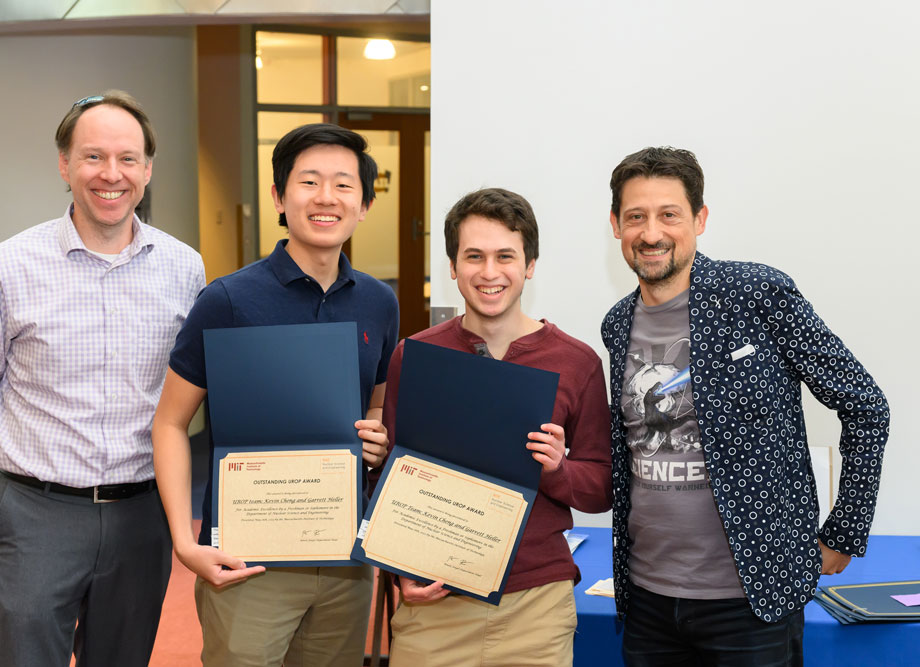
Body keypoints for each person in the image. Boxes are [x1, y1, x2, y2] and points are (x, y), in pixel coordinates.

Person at [601, 147, 890, 665]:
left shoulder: (758, 294)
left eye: (669, 214)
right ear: (616, 226)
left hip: (751, 604)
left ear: (700, 219)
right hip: (646, 601)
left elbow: (866, 406)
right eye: (635, 217)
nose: (651, 233)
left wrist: (846, 529)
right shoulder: (617, 324)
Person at [0, 90, 205, 666]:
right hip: (38, 515)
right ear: (64, 165)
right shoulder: (5, 267)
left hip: (144, 513)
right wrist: (29, 473)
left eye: (127, 158)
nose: (111, 174)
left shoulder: (184, 267)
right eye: (93, 157)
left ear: (147, 169)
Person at [152, 123, 399, 666]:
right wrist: (184, 540)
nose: (326, 198)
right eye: (309, 182)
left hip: (344, 557)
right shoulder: (228, 300)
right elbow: (170, 423)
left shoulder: (379, 303)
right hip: (248, 560)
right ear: (279, 198)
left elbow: (378, 400)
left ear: (364, 205)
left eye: (343, 184)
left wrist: (378, 434)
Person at [379, 188, 613, 666]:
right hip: (435, 607)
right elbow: (393, 478)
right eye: (474, 256)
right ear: (452, 266)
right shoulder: (416, 356)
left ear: (529, 265)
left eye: (505, 256)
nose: (489, 272)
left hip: (536, 608)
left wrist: (558, 469)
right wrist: (397, 569)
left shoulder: (578, 362)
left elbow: (601, 487)